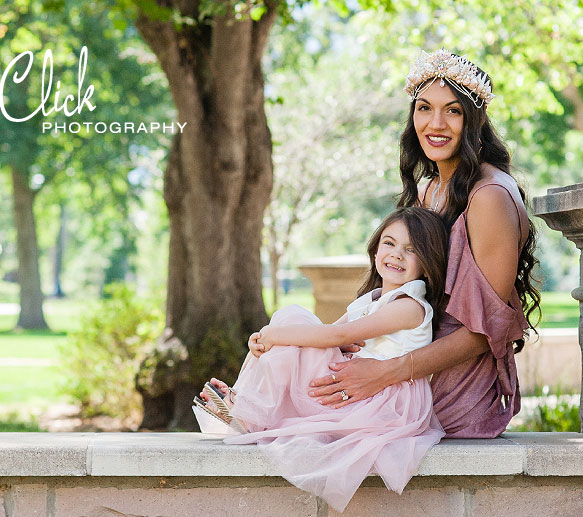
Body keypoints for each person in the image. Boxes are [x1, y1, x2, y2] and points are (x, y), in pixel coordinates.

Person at [306, 48, 541, 438]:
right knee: (301, 358)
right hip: (399, 364)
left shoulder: (490, 197)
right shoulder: (427, 189)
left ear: (475, 120)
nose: (436, 123)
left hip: (450, 390)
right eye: (424, 108)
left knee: (309, 424)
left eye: (453, 110)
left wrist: (383, 374)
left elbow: (487, 331)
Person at [194, 207, 449, 512]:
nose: (396, 255)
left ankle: (247, 411)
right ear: (376, 247)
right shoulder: (373, 300)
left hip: (383, 402)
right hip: (352, 389)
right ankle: (244, 405)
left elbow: (332, 337)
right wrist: (265, 339)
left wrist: (276, 334)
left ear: (428, 262)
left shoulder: (410, 306)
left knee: (293, 320)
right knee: (294, 325)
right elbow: (328, 334)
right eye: (389, 243)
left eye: (411, 250)